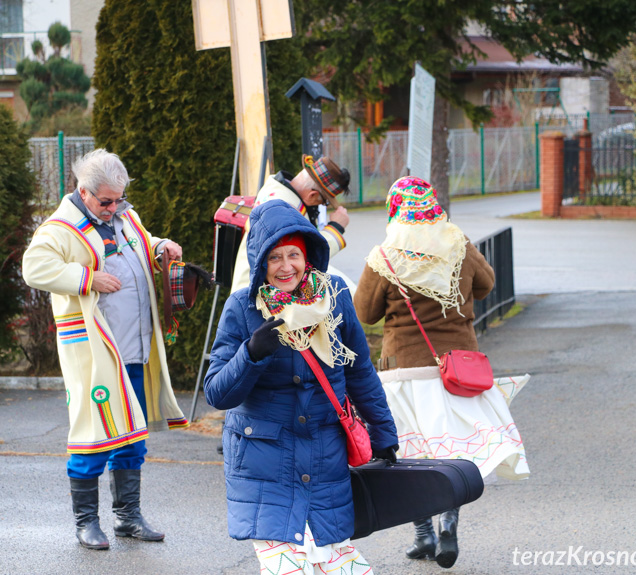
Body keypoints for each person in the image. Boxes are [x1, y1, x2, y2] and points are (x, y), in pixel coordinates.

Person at [204, 199, 399, 575]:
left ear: (307, 254)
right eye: (275, 257)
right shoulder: (242, 308)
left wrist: (383, 430)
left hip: (325, 462)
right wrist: (251, 353)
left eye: (293, 254)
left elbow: (358, 371)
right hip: (265, 466)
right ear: (260, 262)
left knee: (342, 568)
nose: (286, 266)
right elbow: (217, 392)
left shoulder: (335, 295)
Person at [354, 176, 530, 569]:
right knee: (454, 453)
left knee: (411, 457)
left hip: (403, 374)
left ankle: (423, 534)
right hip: (458, 372)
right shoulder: (458, 244)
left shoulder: (385, 255)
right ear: (433, 206)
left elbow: (364, 313)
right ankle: (448, 521)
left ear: (394, 209)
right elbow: (487, 285)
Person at [22, 148, 188, 551]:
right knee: (94, 433)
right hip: (94, 352)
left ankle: (128, 518)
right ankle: (86, 524)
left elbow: (141, 243)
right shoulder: (59, 228)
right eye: (106, 202)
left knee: (133, 436)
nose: (114, 208)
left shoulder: (125, 215)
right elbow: (33, 268)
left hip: (133, 347)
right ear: (84, 191)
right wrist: (86, 278)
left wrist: (160, 244)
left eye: (119, 200)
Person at [229, 155, 352, 293]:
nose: (322, 205)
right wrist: (336, 227)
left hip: (251, 286)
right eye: (324, 201)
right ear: (312, 195)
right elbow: (306, 254)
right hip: (260, 296)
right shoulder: (284, 207)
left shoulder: (276, 189)